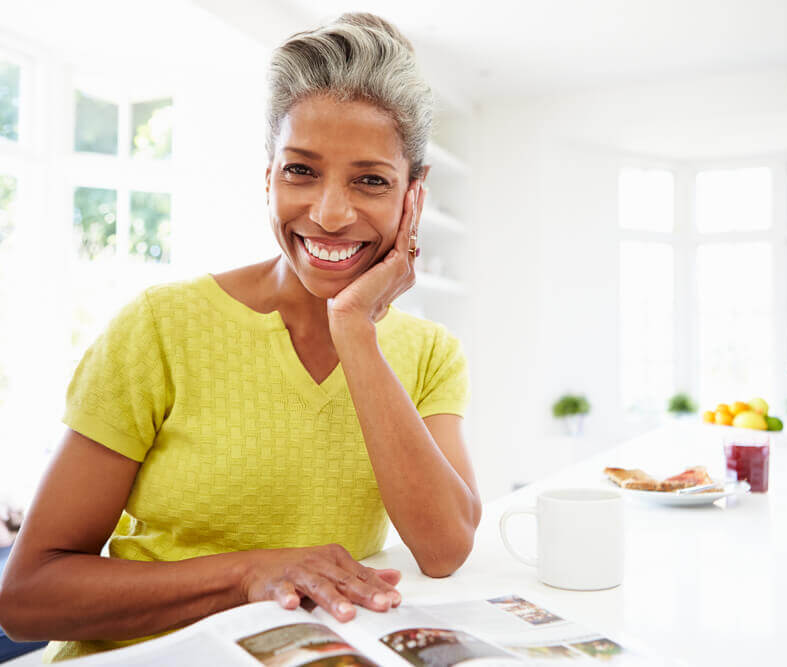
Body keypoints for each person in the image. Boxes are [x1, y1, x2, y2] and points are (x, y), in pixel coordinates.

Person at [0, 13, 481, 662]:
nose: (331, 213)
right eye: (301, 171)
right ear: (268, 177)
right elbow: (28, 592)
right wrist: (245, 573)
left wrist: (354, 333)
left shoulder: (429, 353)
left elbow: (445, 547)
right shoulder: (160, 327)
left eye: (371, 180)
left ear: (413, 199)